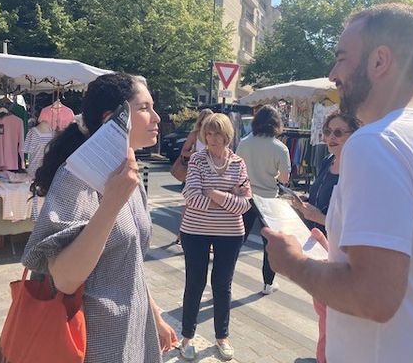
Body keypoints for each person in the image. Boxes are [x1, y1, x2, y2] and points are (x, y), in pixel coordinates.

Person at [262, 4, 413, 362]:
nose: (333, 74)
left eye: (342, 58)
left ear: (380, 61)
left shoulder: (375, 142)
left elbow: (372, 296)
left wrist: (293, 262)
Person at [22, 73, 177, 363]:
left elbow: (130, 263)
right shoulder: (75, 178)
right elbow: (64, 279)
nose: (157, 117)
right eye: (144, 108)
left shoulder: (128, 174)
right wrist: (112, 203)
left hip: (132, 329)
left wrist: (155, 316)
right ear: (112, 121)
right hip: (94, 340)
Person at [178, 113, 252, 361]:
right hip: (195, 232)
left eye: (217, 133)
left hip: (230, 234)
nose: (212, 138)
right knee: (195, 283)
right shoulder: (198, 160)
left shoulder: (238, 163)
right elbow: (191, 197)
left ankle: (222, 336)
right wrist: (229, 195)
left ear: (227, 135)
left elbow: (245, 206)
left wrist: (213, 193)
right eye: (208, 133)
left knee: (222, 285)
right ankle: (187, 336)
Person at [292, 111, 359, 363]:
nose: (331, 137)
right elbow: (320, 199)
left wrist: (319, 216)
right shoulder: (327, 161)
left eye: (339, 132)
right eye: (328, 132)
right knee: (323, 314)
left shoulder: (357, 170)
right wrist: (304, 204)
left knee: (336, 320)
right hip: (319, 245)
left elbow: (351, 217)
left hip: (342, 252)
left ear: (355, 135)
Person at [236, 105, 291, 295]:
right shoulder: (280, 148)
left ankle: (224, 273)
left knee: (238, 238)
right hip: (268, 199)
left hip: (246, 196)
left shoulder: (244, 143)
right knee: (269, 243)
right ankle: (268, 283)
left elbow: (237, 171)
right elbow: (284, 179)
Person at [174, 108, 214, 245]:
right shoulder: (195, 134)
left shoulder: (214, 134)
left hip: (211, 172)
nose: (208, 123)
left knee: (209, 204)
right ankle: (181, 233)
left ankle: (207, 237)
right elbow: (184, 152)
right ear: (201, 120)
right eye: (206, 120)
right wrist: (197, 154)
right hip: (195, 172)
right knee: (190, 203)